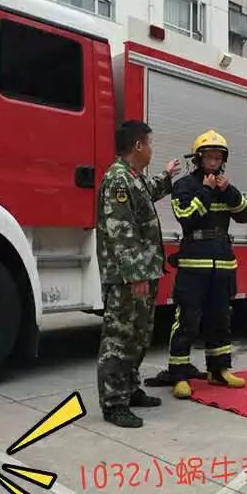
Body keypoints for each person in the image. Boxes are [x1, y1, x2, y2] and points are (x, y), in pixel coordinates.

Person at [96, 120, 180, 428]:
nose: (152, 149)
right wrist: (136, 274)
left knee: (139, 335)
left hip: (140, 271)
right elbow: (122, 231)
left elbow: (147, 193)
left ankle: (130, 390)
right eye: (150, 143)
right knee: (120, 337)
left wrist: (167, 177)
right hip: (126, 278)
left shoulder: (132, 178)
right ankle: (113, 403)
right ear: (138, 145)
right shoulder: (117, 180)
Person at [167, 130, 247, 399]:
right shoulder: (184, 185)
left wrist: (228, 191)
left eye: (218, 158)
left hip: (222, 264)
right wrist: (206, 190)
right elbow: (186, 217)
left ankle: (219, 370)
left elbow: (246, 214)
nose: (214, 162)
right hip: (194, 265)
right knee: (187, 321)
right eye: (209, 157)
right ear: (198, 159)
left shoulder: (226, 187)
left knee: (220, 319)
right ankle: (179, 375)